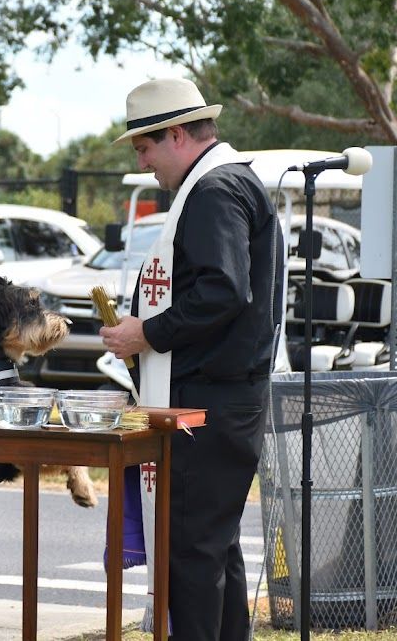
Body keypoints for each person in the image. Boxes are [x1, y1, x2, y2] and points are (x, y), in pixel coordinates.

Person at [100, 78, 283, 641]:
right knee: (211, 548)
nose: (144, 162)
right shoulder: (228, 182)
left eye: (145, 147)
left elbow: (223, 291)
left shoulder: (213, 192)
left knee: (191, 553)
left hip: (209, 403)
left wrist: (145, 334)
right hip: (224, 397)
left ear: (177, 134)